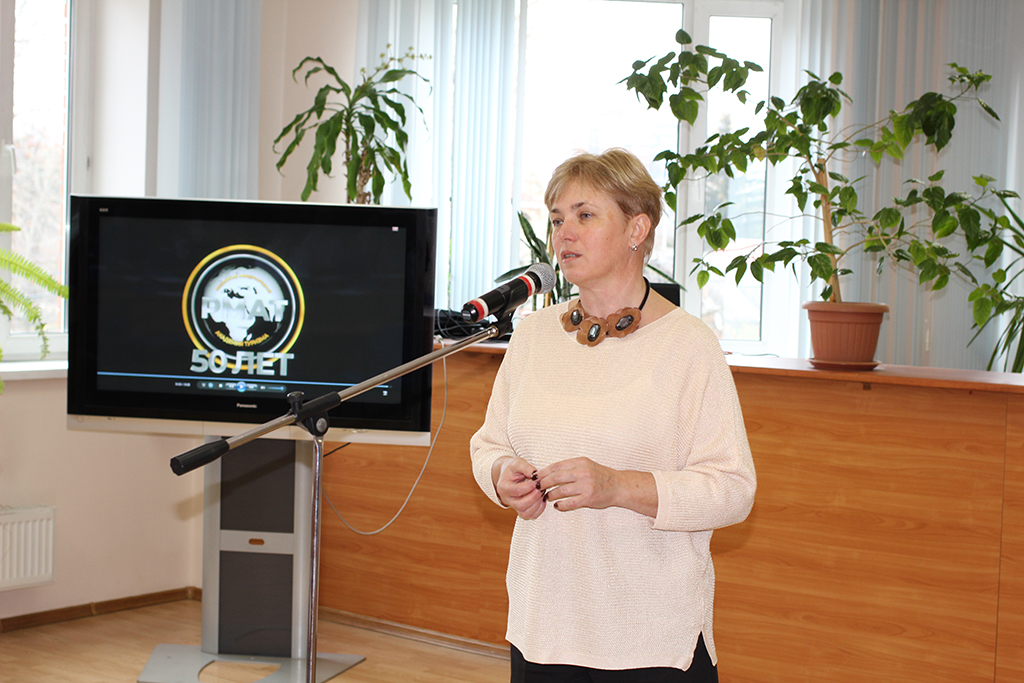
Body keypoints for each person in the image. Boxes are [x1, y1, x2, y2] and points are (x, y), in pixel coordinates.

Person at [469, 148, 756, 682]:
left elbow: (733, 489)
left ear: (636, 229)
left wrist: (618, 486)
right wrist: (500, 474)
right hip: (542, 627)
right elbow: (488, 444)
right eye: (557, 219)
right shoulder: (532, 336)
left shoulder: (689, 346)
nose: (564, 234)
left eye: (584, 215)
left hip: (650, 638)